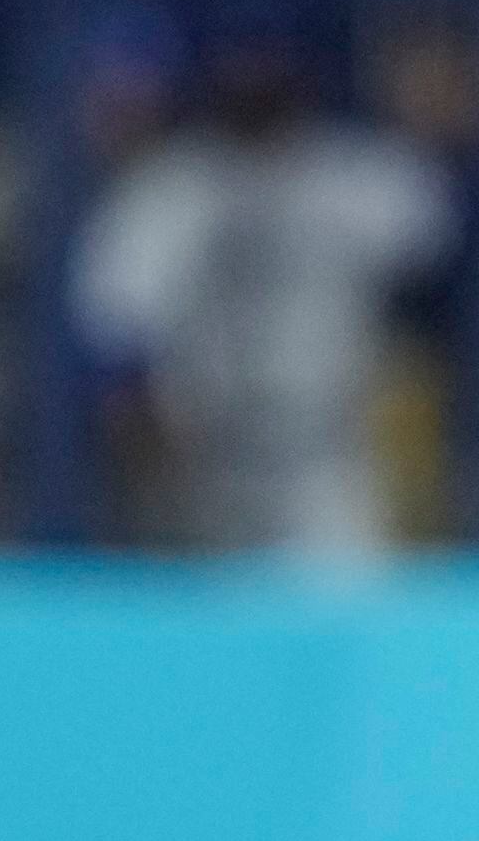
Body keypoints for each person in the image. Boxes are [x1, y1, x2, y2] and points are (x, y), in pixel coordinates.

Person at [71, 28, 454, 557]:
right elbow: (115, 331)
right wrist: (143, 437)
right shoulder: (171, 189)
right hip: (205, 465)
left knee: (344, 621)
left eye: (269, 71)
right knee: (196, 629)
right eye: (240, 72)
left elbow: (444, 260)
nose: (255, 85)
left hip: (329, 460)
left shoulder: (357, 176)